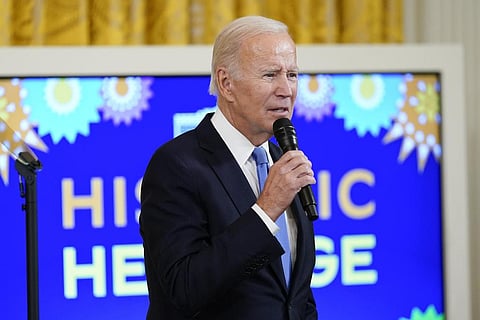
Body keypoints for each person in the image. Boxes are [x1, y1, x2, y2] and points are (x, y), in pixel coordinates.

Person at [140, 15, 318, 320]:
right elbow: (184, 289)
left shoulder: (282, 158)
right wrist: (266, 209)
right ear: (226, 83)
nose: (286, 89)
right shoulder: (176, 165)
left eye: (292, 74)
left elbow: (295, 295)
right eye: (269, 75)